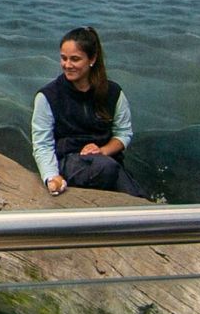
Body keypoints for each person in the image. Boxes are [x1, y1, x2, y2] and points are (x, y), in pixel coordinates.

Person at [33, 26, 147, 198]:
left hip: (108, 161)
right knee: (106, 168)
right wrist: (51, 177)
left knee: (139, 199)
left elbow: (123, 134)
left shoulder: (114, 93)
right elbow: (42, 145)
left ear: (92, 59)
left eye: (75, 59)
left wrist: (102, 151)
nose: (67, 65)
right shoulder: (48, 96)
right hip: (68, 160)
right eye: (63, 58)